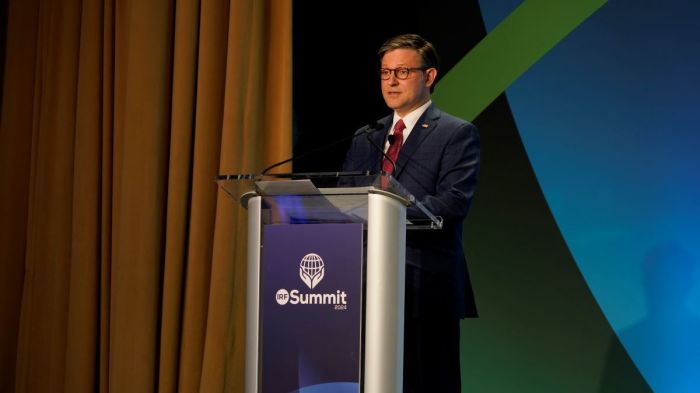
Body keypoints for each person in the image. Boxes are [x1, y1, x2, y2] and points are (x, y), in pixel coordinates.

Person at [342, 34, 480, 392]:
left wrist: (390, 213)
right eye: (385, 72)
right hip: (365, 285)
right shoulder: (367, 136)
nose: (391, 81)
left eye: (402, 71)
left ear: (429, 76)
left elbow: (453, 203)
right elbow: (346, 201)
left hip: (426, 286)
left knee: (427, 382)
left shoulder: (456, 133)